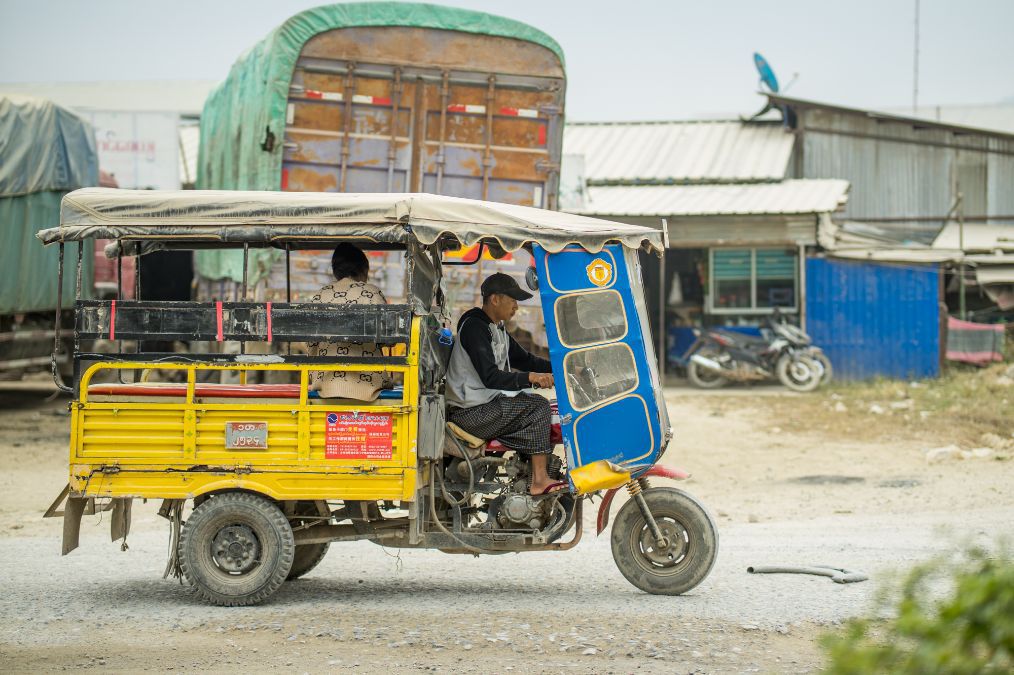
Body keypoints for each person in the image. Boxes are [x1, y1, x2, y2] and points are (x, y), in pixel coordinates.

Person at [445, 272, 562, 496]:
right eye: (513, 300)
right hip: (469, 413)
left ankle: (531, 473)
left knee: (538, 405)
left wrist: (561, 367)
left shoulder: (496, 328)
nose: (516, 307)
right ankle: (539, 480)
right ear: (495, 299)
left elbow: (525, 359)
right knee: (538, 407)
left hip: (484, 405)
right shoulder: (474, 327)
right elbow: (491, 377)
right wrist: (531, 378)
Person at [307, 244, 391, 401]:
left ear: (335, 270)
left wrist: (315, 376)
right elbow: (388, 338)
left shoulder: (320, 295)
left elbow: (311, 344)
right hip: (368, 384)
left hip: (325, 383)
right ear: (363, 269)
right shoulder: (372, 293)